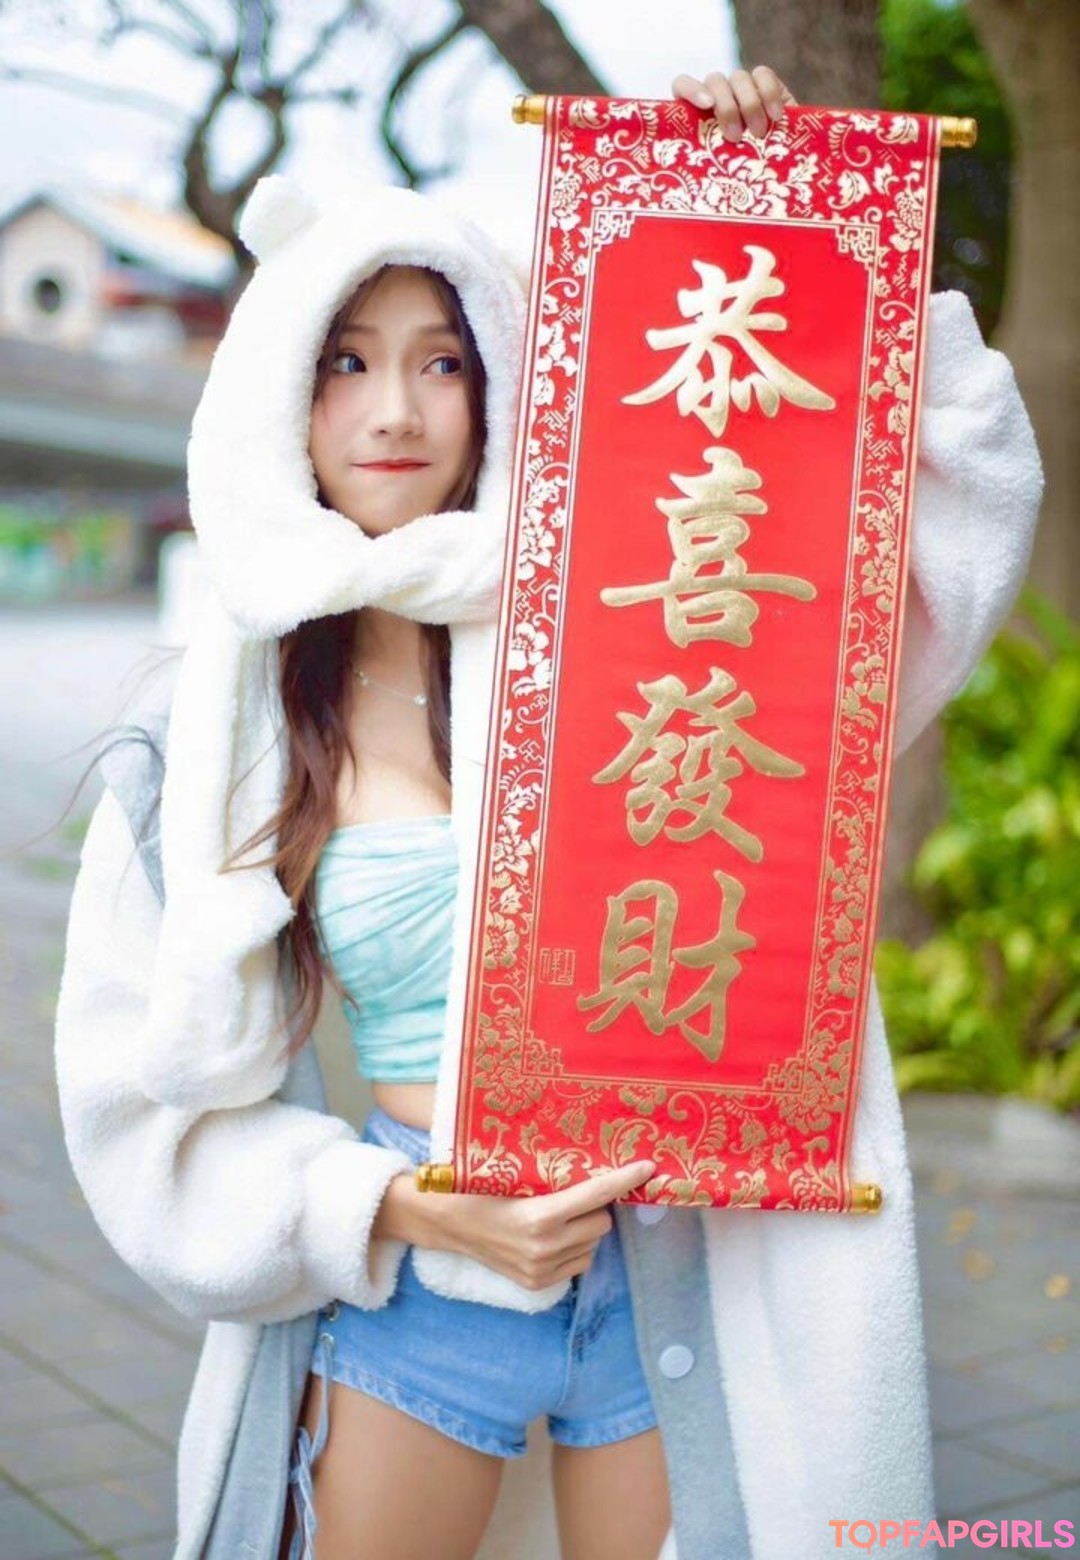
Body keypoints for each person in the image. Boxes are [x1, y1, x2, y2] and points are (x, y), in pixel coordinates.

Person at [53, 66, 1044, 1560]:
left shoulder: (638, 631)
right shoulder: (211, 733)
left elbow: (954, 516)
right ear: (278, 390)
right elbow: (135, 1109)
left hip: (678, 1275)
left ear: (500, 382)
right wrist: (407, 1210)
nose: (395, 411)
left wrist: (769, 199)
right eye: (346, 361)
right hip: (419, 1286)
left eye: (442, 362)